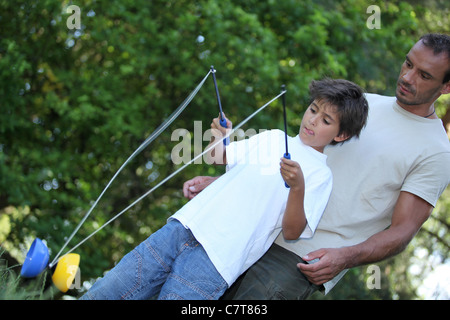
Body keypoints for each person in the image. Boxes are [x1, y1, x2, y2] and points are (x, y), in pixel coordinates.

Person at [184, 33, 450, 299]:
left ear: (446, 86)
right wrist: (227, 183)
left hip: (296, 259)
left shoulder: (436, 152)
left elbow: (402, 231)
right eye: (408, 63)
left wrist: (345, 257)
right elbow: (294, 159)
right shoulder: (363, 104)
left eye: (424, 75)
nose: (407, 77)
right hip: (249, 227)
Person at [80, 79, 368, 300]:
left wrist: (297, 187)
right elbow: (219, 157)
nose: (313, 120)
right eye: (313, 110)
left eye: (326, 120)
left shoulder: (320, 175)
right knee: (109, 289)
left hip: (216, 262)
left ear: (340, 135)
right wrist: (219, 135)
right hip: (183, 228)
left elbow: (292, 232)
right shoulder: (271, 137)